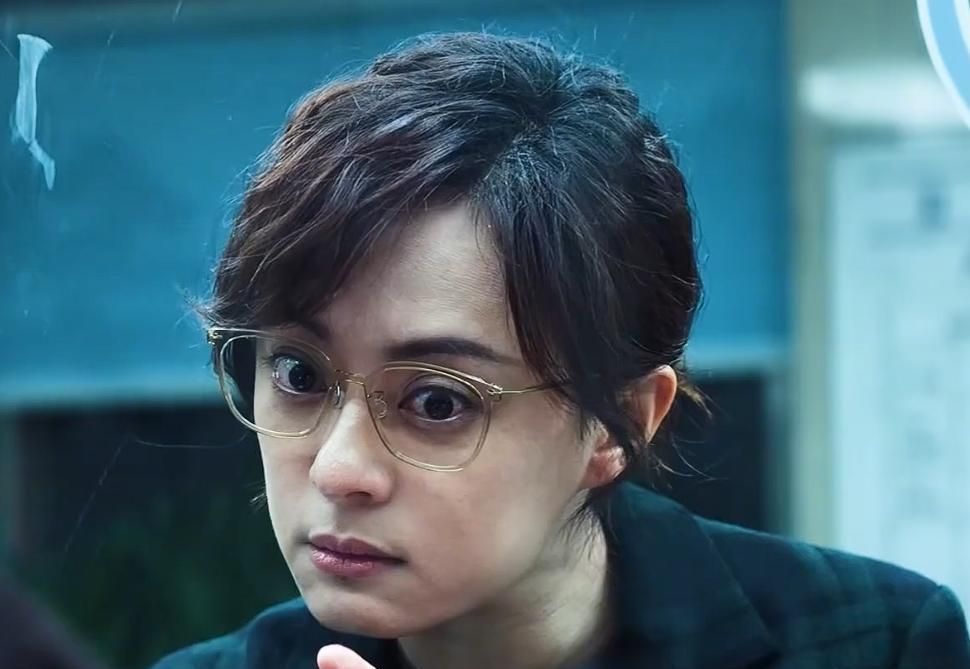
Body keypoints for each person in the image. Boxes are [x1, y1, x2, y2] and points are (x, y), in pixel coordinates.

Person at [150, 32, 970, 669]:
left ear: (618, 423)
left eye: (437, 400)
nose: (337, 468)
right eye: (299, 373)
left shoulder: (876, 642)